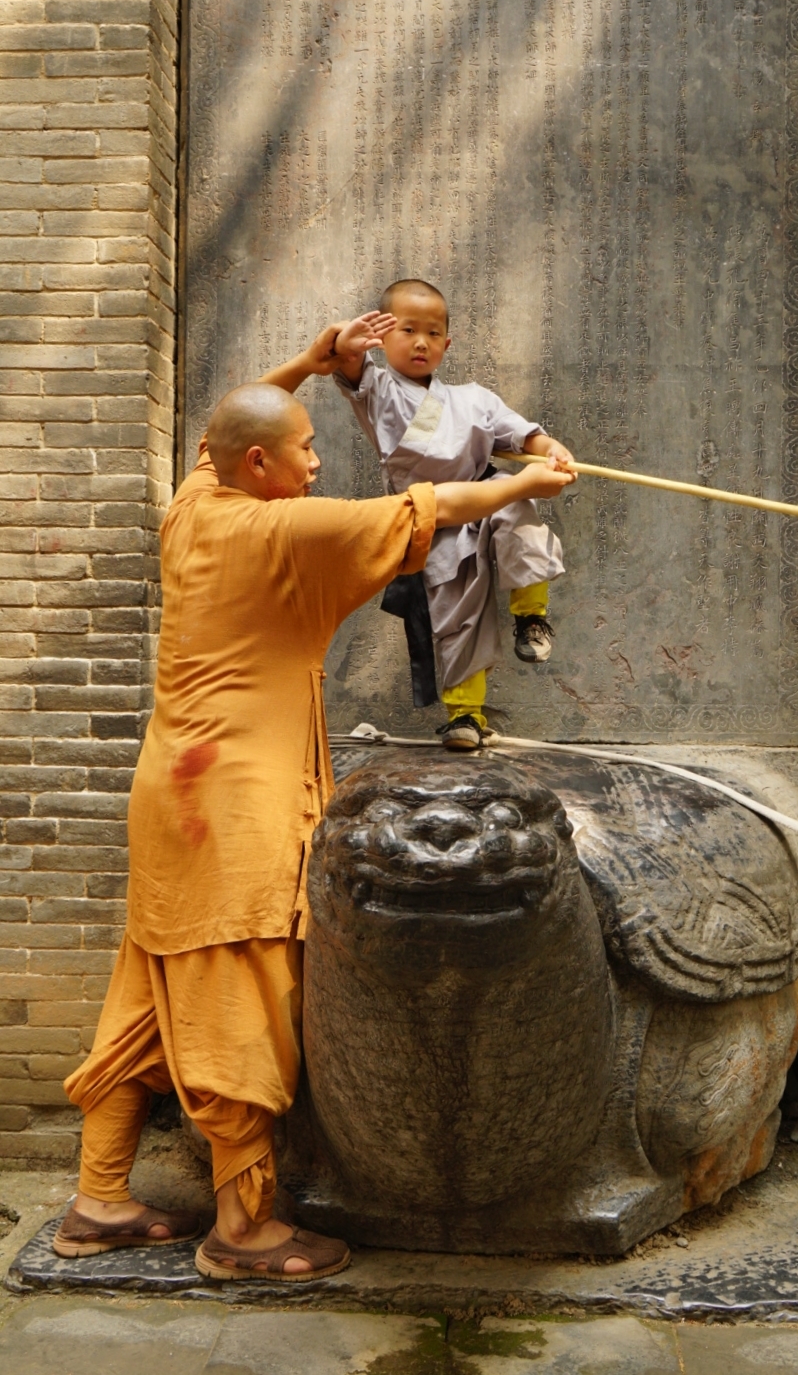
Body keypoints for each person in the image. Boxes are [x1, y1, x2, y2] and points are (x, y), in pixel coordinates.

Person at [55, 320, 576, 1284]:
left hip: (172, 792)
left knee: (152, 989)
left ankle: (97, 1199)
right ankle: (244, 1231)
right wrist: (524, 483)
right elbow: (432, 504)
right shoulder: (284, 528)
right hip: (237, 809)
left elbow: (233, 421)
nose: (320, 460)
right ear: (259, 465)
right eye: (304, 451)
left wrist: (306, 360)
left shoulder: (194, 505)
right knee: (237, 1006)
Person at [264, 280, 574, 751]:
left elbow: (526, 438)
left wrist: (552, 450)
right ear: (383, 339)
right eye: (407, 330)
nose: (421, 342)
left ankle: (531, 616)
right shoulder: (378, 392)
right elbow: (350, 364)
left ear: (447, 344)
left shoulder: (475, 399)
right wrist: (347, 348)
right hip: (432, 516)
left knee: (519, 509)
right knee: (457, 614)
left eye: (433, 333)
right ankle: (465, 716)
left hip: (487, 495)